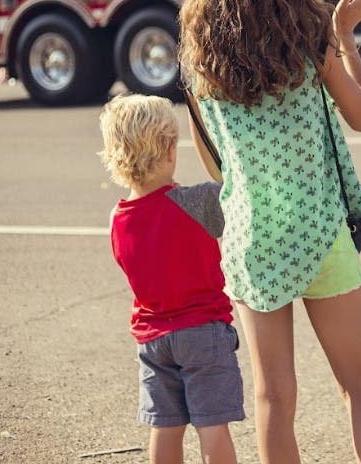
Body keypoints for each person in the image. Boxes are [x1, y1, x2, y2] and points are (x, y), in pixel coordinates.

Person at [178, 0, 361, 464]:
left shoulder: (201, 66)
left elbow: (216, 168)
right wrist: (344, 36)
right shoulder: (310, 46)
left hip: (255, 242)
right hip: (323, 231)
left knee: (274, 397)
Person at [98, 94, 242, 464]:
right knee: (212, 425)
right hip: (203, 331)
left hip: (153, 339)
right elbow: (236, 190)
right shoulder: (198, 202)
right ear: (167, 150)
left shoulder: (118, 219)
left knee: (164, 426)